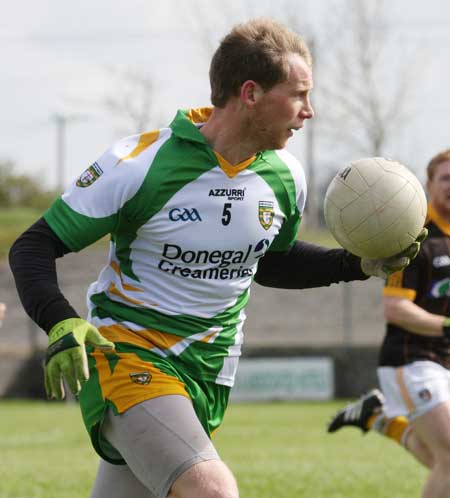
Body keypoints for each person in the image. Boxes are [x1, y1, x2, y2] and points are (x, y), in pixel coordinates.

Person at [9, 18, 423, 498]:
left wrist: (357, 264)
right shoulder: (141, 165)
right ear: (250, 93)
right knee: (212, 490)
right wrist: (60, 321)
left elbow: (271, 261)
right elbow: (34, 245)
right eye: (299, 94)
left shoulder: (286, 176)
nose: (309, 111)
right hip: (127, 354)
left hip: (208, 371)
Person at [327, 148, 450, 498]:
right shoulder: (413, 236)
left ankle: (378, 418)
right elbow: (396, 309)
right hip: (413, 361)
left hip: (444, 361)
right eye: (446, 178)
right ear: (428, 184)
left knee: (440, 462)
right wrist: (446, 326)